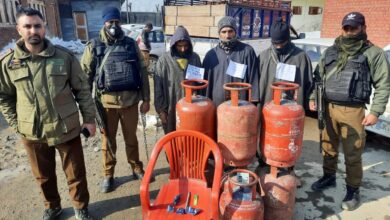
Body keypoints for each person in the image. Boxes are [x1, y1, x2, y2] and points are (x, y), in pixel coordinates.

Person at [0, 7, 95, 220]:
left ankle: (81, 207)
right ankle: (52, 206)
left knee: (76, 174)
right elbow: (4, 97)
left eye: (37, 26)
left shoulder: (64, 57)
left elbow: (82, 90)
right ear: (19, 29)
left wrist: (89, 120)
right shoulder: (8, 64)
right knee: (43, 177)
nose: (33, 30)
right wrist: (17, 124)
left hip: (66, 128)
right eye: (27, 26)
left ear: (45, 28)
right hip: (32, 132)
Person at [309, 12, 390, 211]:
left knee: (353, 153)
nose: (349, 31)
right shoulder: (330, 52)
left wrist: (375, 112)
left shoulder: (373, 53)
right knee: (328, 146)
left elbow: (383, 84)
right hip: (328, 108)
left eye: (353, 27)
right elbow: (318, 78)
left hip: (353, 111)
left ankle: (353, 190)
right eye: (346, 27)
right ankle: (329, 177)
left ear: (363, 27)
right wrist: (313, 98)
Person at [80, 6, 150, 193]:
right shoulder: (94, 45)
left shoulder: (130, 44)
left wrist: (146, 99)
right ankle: (108, 174)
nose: (113, 25)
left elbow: (142, 71)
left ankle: (136, 167)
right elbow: (84, 78)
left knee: (131, 139)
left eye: (117, 22)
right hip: (106, 105)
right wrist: (87, 110)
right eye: (110, 22)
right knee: (108, 142)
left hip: (130, 102)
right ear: (104, 23)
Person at [154, 26, 202, 134]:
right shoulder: (164, 60)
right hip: (170, 107)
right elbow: (158, 87)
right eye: (180, 46)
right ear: (174, 44)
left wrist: (196, 95)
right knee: (172, 136)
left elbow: (200, 83)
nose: (183, 49)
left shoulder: (195, 58)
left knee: (190, 135)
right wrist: (161, 110)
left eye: (185, 46)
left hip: (191, 106)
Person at [203, 16, 260, 107]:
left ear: (235, 32)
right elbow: (205, 83)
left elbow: (254, 78)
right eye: (224, 32)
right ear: (219, 33)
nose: (227, 35)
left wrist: (253, 101)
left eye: (230, 31)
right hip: (217, 105)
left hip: (240, 104)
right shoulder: (211, 55)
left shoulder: (247, 51)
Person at [258, 17, 313, 109]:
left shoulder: (301, 57)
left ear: (288, 39)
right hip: (267, 109)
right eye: (275, 43)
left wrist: (312, 99)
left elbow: (310, 83)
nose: (279, 47)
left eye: (282, 43)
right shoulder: (263, 57)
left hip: (291, 110)